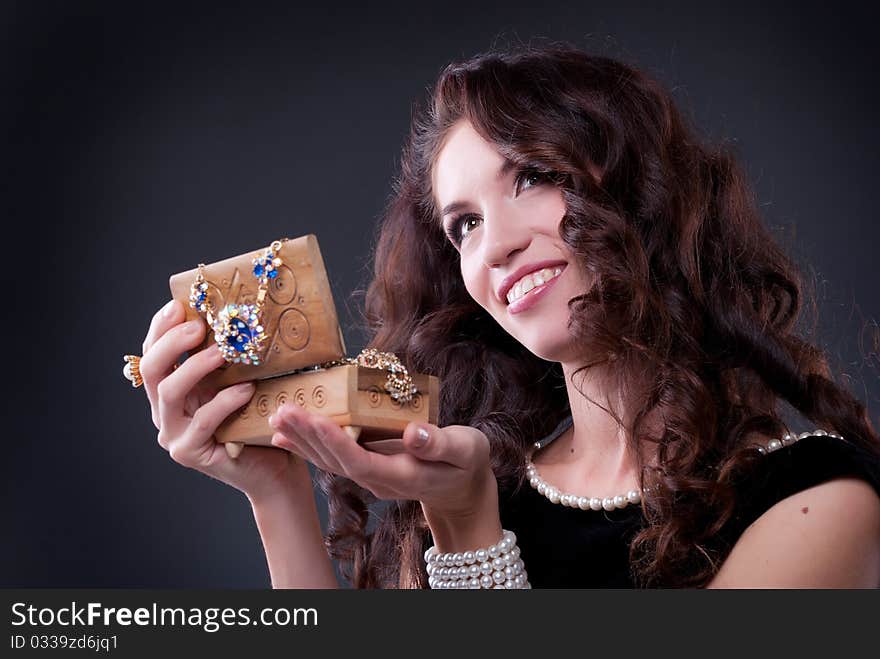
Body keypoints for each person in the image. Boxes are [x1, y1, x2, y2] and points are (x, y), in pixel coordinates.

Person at [132, 43, 880, 588]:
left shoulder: (821, 499)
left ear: (642, 188)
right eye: (464, 224)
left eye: (533, 176)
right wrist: (276, 489)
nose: (497, 246)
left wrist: (469, 531)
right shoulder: (485, 483)